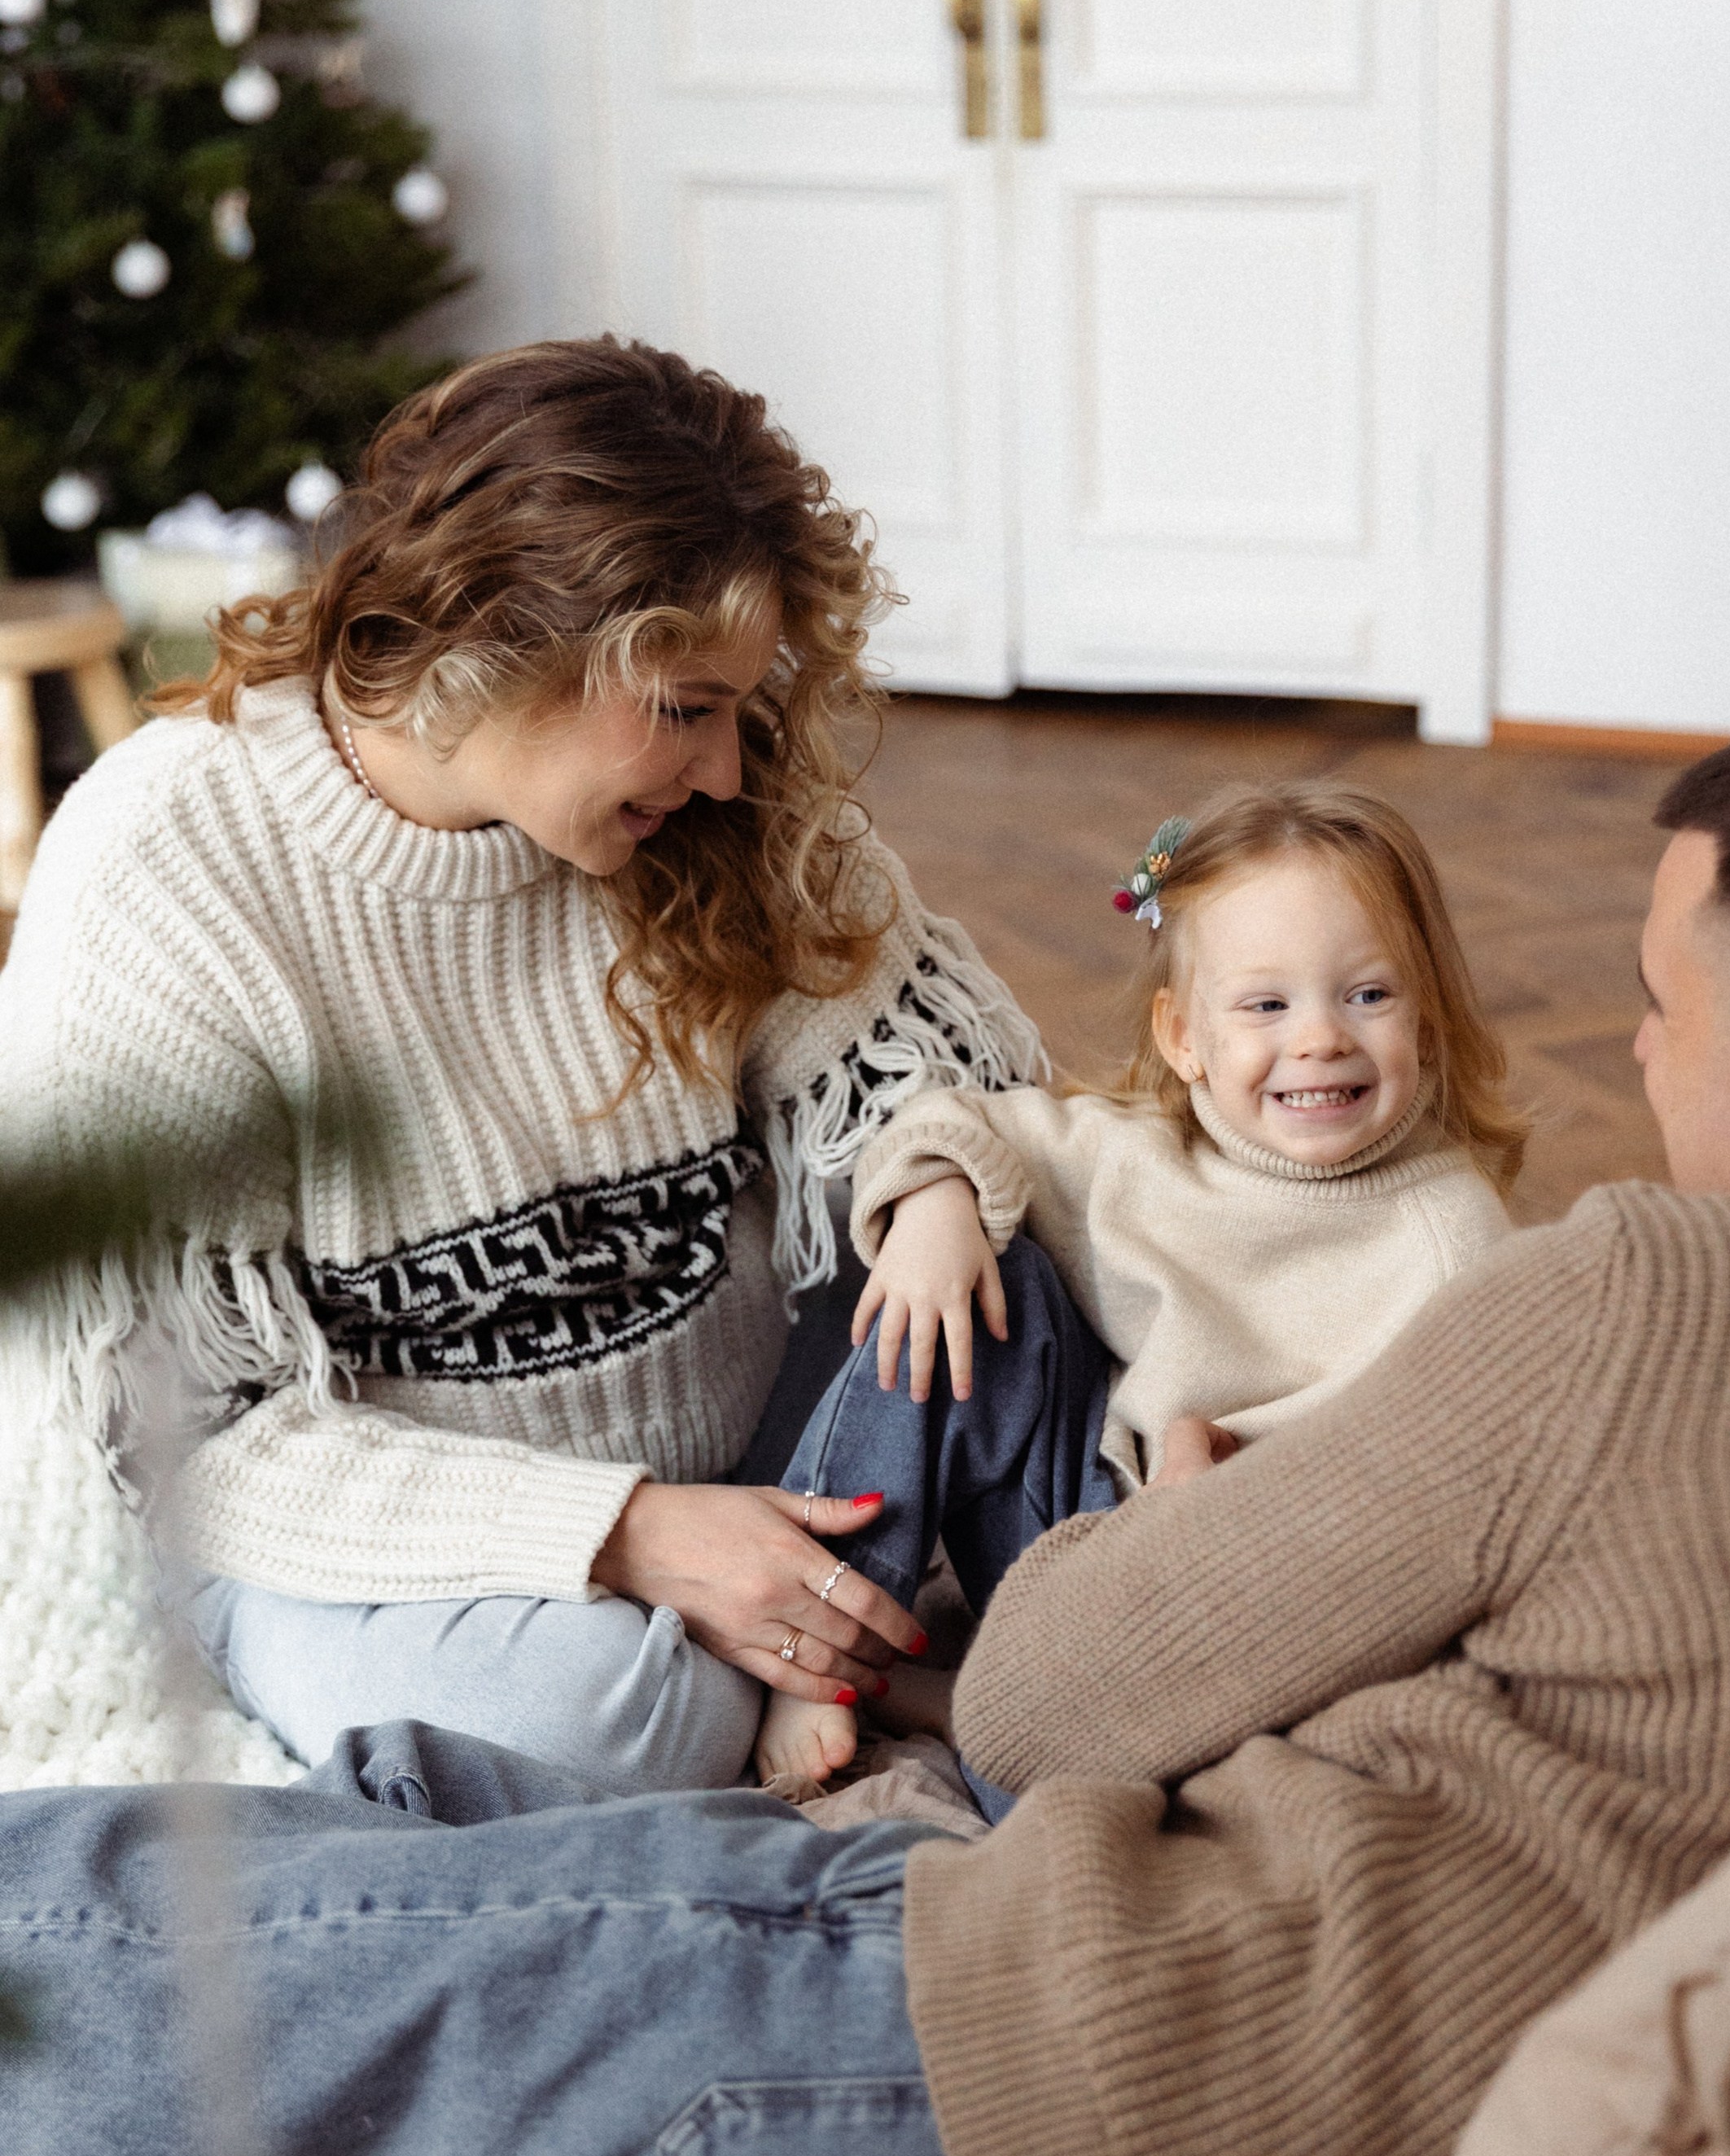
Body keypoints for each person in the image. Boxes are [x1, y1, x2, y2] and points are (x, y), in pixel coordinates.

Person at [2, 703, 1730, 2156]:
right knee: (374, 1978)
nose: (1638, 1051)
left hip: (1016, 2128)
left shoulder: (1643, 1294)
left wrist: (1158, 1538)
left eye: (1660, 1009)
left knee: (116, 1914)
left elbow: (1040, 1697)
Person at [0, 340, 1040, 1792]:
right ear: (498, 638)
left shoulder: (699, 809)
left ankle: (840, 1646)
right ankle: (874, 1665)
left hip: (770, 1479)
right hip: (390, 1551)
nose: (731, 767)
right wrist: (631, 1535)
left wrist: (924, 1180)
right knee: (599, 1715)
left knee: (1009, 1266)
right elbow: (180, 1438)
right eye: (686, 707)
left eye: (738, 708)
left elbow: (927, 1062)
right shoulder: (169, 868)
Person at [757, 780, 1524, 1788]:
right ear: (1183, 1038)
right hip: (1074, 1535)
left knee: (1153, 1771)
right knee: (988, 1282)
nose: (1320, 1038)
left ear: (1425, 1020)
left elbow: (1455, 1491)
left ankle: (994, 1718)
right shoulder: (1134, 1157)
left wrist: (1208, 1525)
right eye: (1265, 1005)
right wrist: (938, 1207)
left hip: (1246, 1601)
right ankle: (822, 1633)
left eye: (1368, 995)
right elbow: (946, 1118)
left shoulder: (1449, 1236)